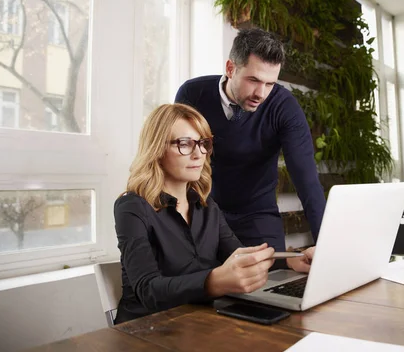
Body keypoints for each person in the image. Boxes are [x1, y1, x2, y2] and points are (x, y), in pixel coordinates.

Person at [113, 103, 309, 324]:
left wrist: (292, 259)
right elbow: (148, 290)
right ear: (156, 150)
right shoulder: (131, 207)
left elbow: (240, 256)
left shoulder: (207, 206)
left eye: (203, 143)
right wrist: (214, 281)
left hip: (196, 322)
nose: (199, 154)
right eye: (184, 144)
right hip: (145, 330)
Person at [175, 28, 325, 264]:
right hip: (203, 210)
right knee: (202, 290)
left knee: (270, 288)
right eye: (253, 80)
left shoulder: (284, 107)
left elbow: (306, 180)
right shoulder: (193, 94)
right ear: (230, 68)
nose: (261, 94)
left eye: (270, 84)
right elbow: (176, 163)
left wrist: (325, 246)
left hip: (258, 215)